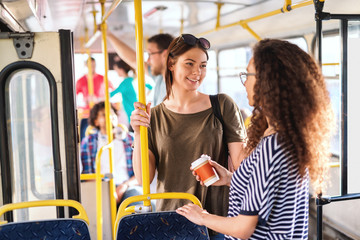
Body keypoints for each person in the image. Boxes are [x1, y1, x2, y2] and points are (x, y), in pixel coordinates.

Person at [176, 39, 335, 239]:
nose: (245, 83)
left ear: (267, 81)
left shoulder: (272, 147)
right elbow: (271, 192)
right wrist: (229, 179)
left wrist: (202, 217)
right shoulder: (287, 137)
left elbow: (244, 228)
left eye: (248, 75)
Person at [130, 34, 247, 239]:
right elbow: (143, 178)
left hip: (215, 222)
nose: (197, 72)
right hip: (170, 221)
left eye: (202, 66)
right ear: (171, 64)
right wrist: (138, 132)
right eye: (190, 64)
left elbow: (242, 167)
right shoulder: (153, 116)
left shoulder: (222, 105)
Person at [80, 101, 141, 205]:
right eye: (104, 114)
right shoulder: (89, 142)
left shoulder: (130, 139)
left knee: (136, 204)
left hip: (127, 186)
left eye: (112, 113)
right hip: (100, 187)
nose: (110, 116)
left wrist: (124, 186)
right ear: (96, 121)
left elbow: (141, 174)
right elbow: (88, 175)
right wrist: (107, 190)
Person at [107, 32, 174, 106]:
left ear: (165, 55)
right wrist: (109, 34)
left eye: (150, 54)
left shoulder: (177, 88)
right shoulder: (160, 78)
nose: (148, 61)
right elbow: (134, 60)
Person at [76, 57, 114, 140]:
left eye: (94, 65)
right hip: (86, 114)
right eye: (90, 65)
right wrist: (84, 100)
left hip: (99, 113)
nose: (92, 67)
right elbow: (76, 97)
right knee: (84, 137)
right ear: (86, 66)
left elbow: (112, 93)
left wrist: (99, 99)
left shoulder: (103, 78)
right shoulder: (80, 81)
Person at [110, 59, 153, 128]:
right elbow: (150, 87)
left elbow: (110, 95)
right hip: (138, 112)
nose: (116, 72)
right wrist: (146, 96)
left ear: (121, 70)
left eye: (116, 70)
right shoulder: (134, 79)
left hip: (132, 115)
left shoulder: (124, 83)